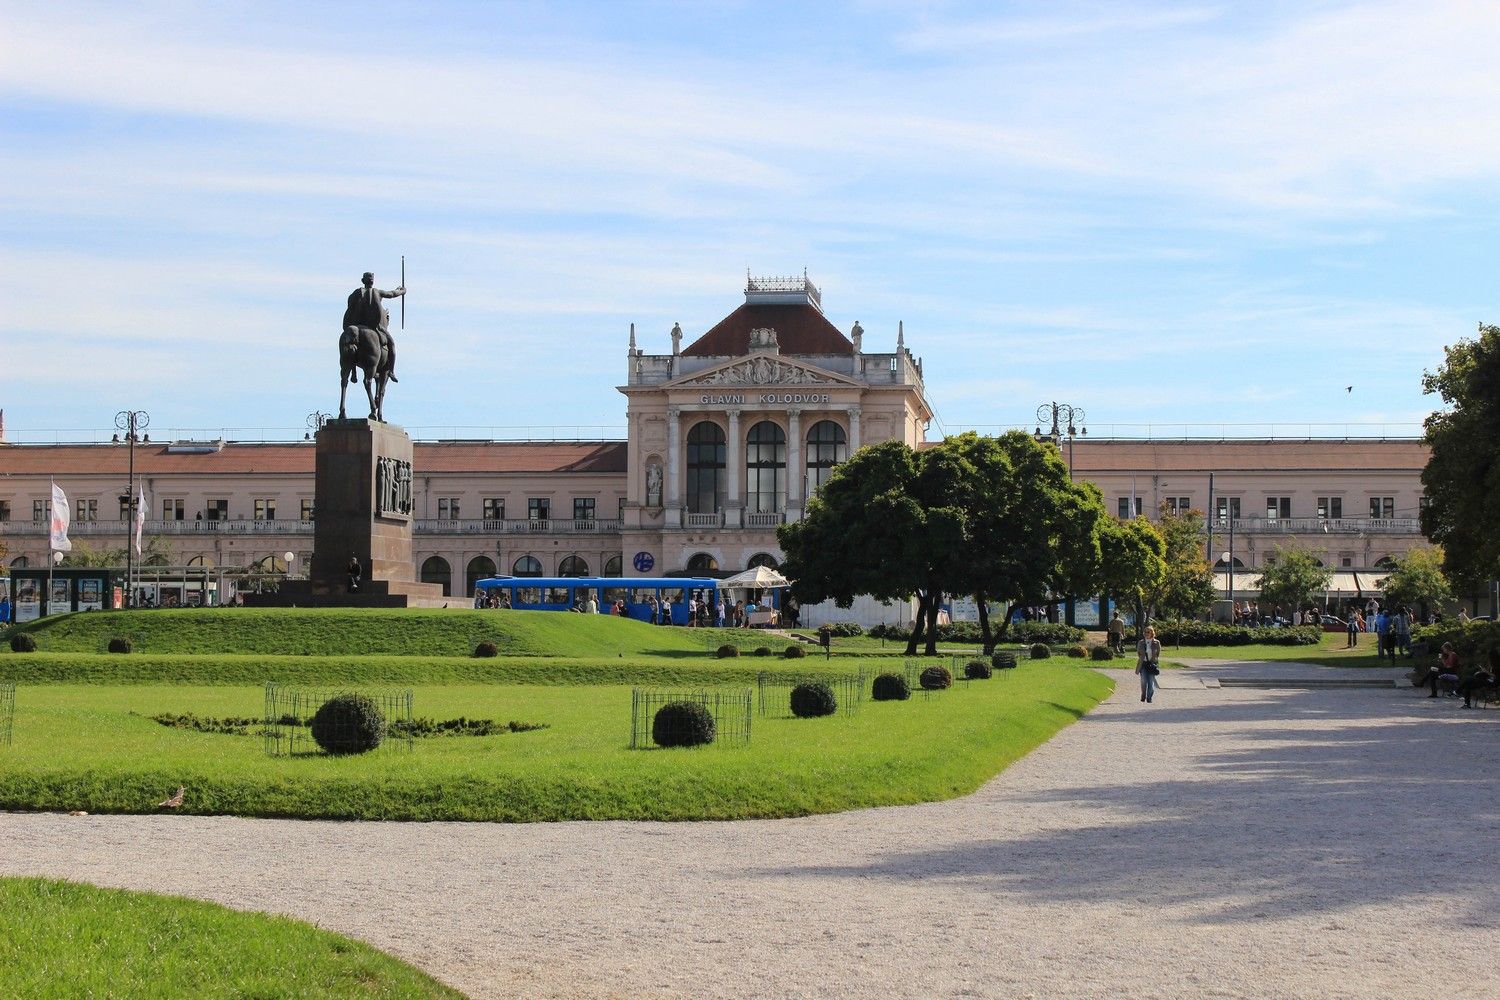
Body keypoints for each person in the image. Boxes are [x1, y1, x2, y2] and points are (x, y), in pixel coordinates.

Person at [343, 271, 406, 382]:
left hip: (357, 324)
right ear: (372, 281)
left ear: (363, 281)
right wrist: (401, 291)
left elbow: (350, 308)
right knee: (391, 344)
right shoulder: (376, 292)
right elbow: (391, 294)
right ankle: (391, 370)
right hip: (375, 326)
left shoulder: (355, 294)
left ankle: (353, 371)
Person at [1136, 625, 1161, 704]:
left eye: (1148, 632)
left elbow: (1158, 654)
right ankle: (1143, 695)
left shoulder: (1157, 642)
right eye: (1145, 632)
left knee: (1151, 682)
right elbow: (1138, 653)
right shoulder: (1141, 642)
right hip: (1143, 664)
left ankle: (1149, 697)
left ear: (1152, 633)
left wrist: (1154, 661)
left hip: (1152, 664)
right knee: (1143, 681)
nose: (1146, 633)